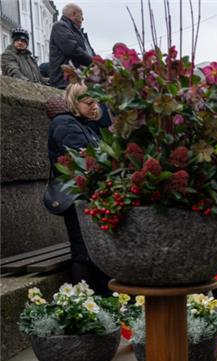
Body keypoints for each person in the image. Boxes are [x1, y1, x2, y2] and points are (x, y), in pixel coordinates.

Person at [47, 82, 109, 293]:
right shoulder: (65, 124)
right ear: (75, 101)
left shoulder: (82, 123)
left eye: (96, 101)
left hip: (86, 195)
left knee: (91, 249)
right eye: (89, 102)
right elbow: (84, 160)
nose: (94, 106)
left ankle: (99, 300)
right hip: (76, 196)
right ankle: (83, 302)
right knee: (82, 251)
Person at [48, 3, 94, 89]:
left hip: (78, 81)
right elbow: (73, 50)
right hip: (65, 82)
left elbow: (88, 52)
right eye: (81, 15)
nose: (83, 19)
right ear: (73, 14)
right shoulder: (60, 26)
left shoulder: (78, 32)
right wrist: (94, 63)